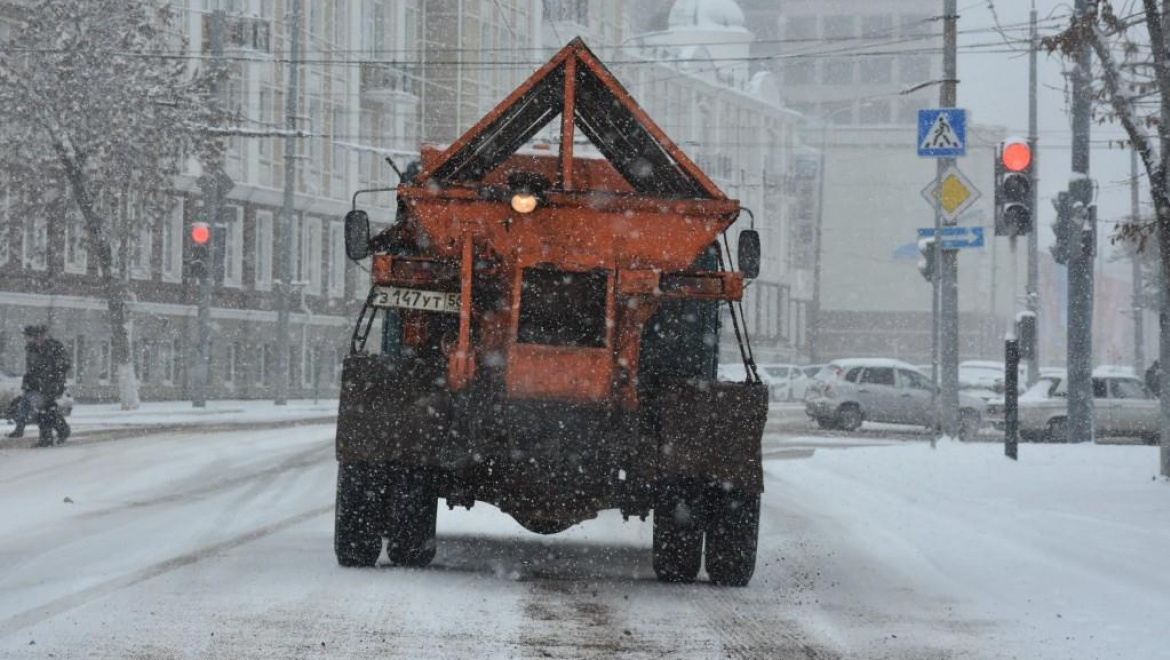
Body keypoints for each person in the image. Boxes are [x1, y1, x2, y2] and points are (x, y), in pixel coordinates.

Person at [7, 325, 71, 446]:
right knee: (47, 410)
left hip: (51, 384)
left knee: (45, 410)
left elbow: (64, 364)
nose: (31, 340)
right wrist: (27, 382)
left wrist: (54, 376)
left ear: (41, 336)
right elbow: (31, 368)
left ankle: (48, 437)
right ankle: (60, 431)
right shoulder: (31, 349)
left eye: (32, 337)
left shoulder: (54, 347)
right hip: (36, 385)